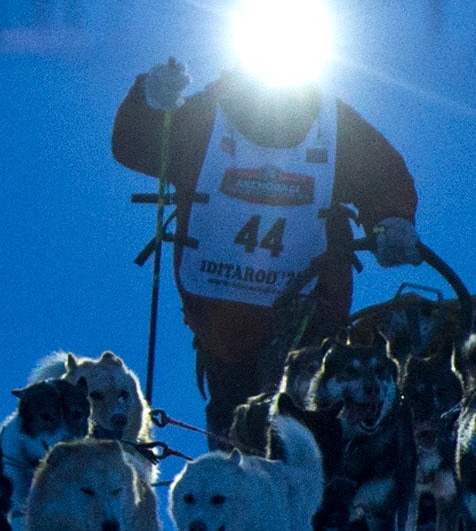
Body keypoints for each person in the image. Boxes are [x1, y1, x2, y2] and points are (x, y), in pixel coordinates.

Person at [113, 44, 423, 441]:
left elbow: (382, 176)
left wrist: (391, 219)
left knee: (311, 428)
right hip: (226, 317)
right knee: (237, 430)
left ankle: (316, 492)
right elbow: (137, 144)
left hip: (308, 309)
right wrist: (150, 100)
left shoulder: (332, 126)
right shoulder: (206, 119)